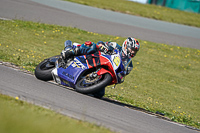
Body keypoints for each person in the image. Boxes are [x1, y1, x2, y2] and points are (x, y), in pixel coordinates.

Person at [61, 37, 140, 98]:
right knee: (93, 46)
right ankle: (70, 51)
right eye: (132, 49)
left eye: (135, 51)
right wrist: (103, 46)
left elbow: (122, 75)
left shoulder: (129, 65)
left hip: (106, 72)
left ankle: (85, 82)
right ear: (126, 46)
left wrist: (120, 76)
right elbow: (102, 43)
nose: (133, 52)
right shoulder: (116, 46)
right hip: (97, 58)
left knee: (100, 94)